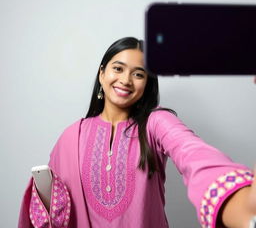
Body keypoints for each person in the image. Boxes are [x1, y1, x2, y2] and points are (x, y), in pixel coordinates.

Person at [18, 37, 256, 228]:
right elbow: (54, 214)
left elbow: (190, 150)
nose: (126, 80)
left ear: (147, 84)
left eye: (139, 74)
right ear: (102, 74)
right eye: (118, 68)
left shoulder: (155, 123)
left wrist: (235, 198)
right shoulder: (71, 137)